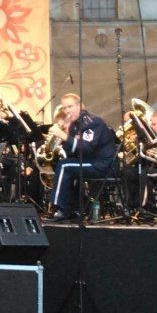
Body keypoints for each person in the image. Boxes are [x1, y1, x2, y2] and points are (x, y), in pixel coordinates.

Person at [48, 93, 116, 221]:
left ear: (79, 106)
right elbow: (73, 152)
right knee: (61, 163)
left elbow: (87, 148)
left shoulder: (92, 122)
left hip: (101, 164)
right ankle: (74, 208)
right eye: (64, 108)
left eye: (70, 106)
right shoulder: (74, 125)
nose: (67, 111)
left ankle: (59, 208)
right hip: (89, 161)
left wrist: (63, 136)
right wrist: (64, 137)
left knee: (65, 166)